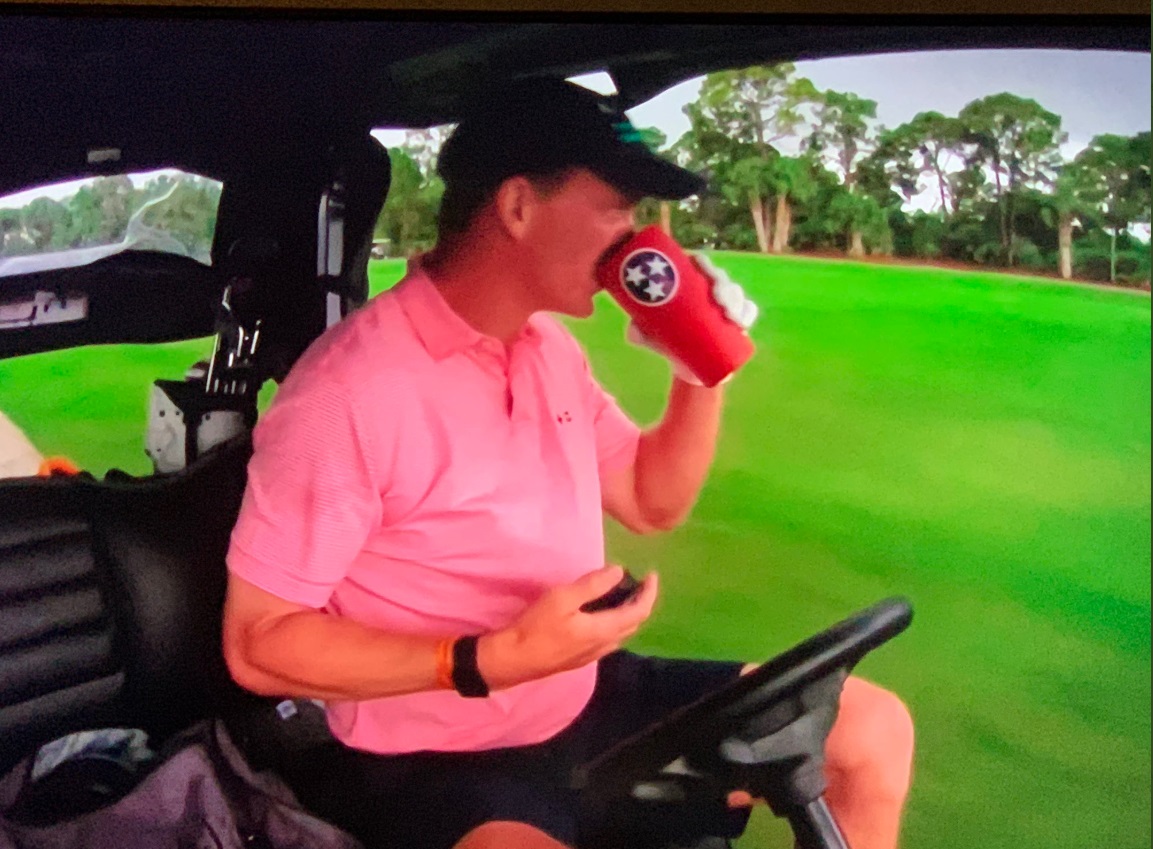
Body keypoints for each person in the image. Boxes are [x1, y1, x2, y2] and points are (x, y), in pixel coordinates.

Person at [221, 79, 914, 849]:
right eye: (616, 208)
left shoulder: (550, 351)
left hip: (584, 695)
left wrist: (700, 370)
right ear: (518, 208)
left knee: (872, 730)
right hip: (436, 755)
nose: (637, 239)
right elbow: (257, 642)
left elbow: (652, 501)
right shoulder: (346, 392)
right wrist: (490, 658)